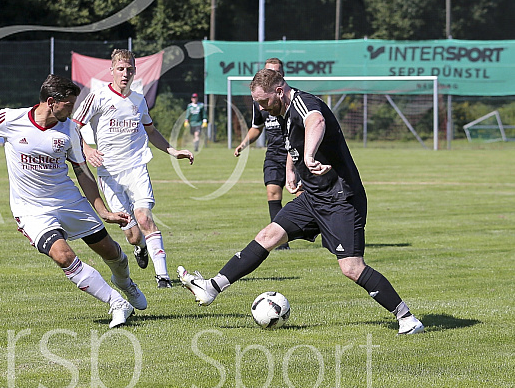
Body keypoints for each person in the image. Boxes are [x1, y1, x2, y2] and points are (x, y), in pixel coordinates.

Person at [178, 68, 424, 335]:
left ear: (279, 92)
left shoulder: (304, 103)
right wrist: (292, 169)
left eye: (263, 101)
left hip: (340, 198)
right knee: (268, 234)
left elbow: (315, 122)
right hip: (313, 197)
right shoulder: (281, 112)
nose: (260, 108)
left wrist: (308, 157)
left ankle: (407, 318)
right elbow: (290, 143)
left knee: (351, 268)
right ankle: (212, 287)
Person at [0, 74, 145, 328]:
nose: (73, 110)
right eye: (69, 105)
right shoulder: (11, 118)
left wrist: (104, 211)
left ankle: (125, 283)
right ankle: (116, 302)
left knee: (110, 252)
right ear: (52, 101)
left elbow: (82, 172)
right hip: (31, 209)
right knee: (63, 256)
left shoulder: (71, 130)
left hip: (68, 201)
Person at [73, 49, 194, 289]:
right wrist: (87, 150)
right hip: (109, 174)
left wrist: (173, 151)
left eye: (129, 69)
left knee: (144, 218)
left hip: (136, 168)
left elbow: (150, 131)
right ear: (112, 71)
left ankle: (162, 277)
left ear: (135, 71)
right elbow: (73, 127)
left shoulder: (139, 100)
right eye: (120, 69)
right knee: (133, 234)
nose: (125, 73)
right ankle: (140, 248)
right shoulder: (96, 97)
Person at [233, 58, 295, 250]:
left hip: (293, 151)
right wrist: (244, 144)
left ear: (282, 76)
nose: (271, 75)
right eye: (268, 72)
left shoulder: (291, 98)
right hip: (274, 152)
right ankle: (280, 241)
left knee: (303, 194)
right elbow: (256, 127)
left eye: (276, 72)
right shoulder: (259, 101)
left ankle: (326, 232)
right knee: (272, 192)